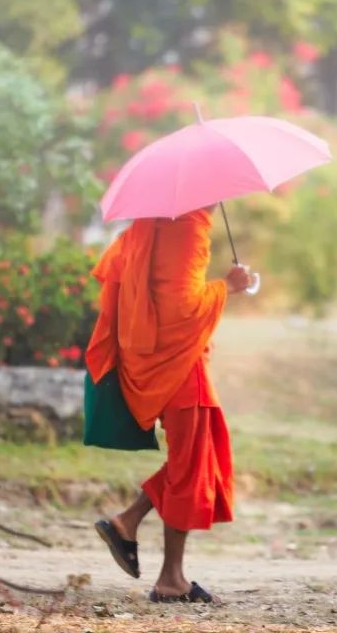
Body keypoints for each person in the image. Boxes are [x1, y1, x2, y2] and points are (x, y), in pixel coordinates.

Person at [84, 206, 253, 603]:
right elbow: (183, 308)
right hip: (179, 365)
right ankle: (169, 579)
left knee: (194, 459)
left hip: (157, 360)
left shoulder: (150, 224)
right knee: (190, 465)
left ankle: (129, 523)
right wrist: (227, 286)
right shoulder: (188, 229)